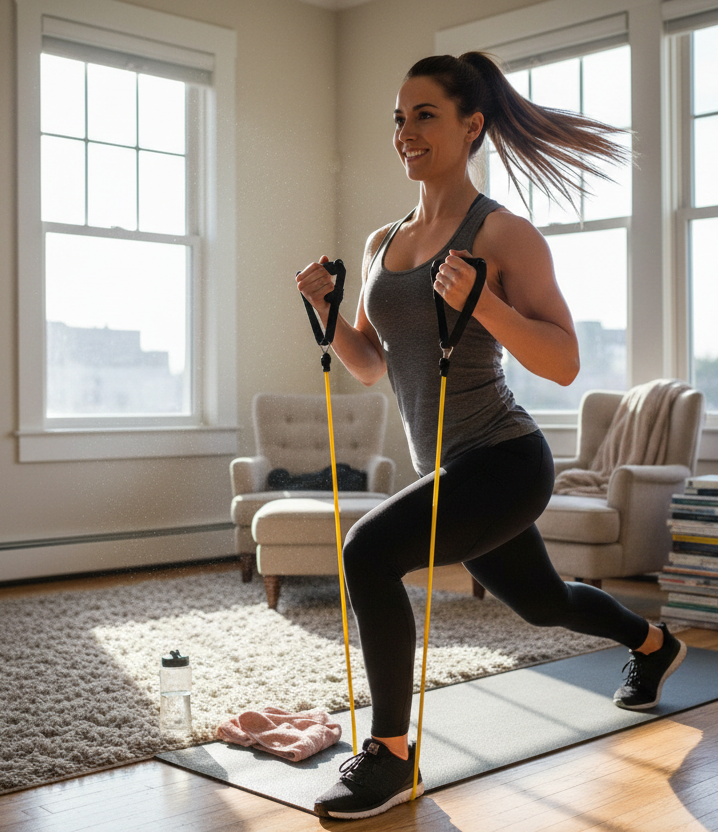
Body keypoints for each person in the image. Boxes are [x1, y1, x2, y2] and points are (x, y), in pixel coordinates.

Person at [294, 52, 687, 821]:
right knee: (542, 604)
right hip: (451, 469)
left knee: (367, 552)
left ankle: (391, 753)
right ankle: (652, 645)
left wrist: (484, 304)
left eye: (425, 115)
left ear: (471, 126)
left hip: (506, 459)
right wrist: (325, 313)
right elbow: (372, 366)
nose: (406, 132)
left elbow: (564, 361)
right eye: (398, 118)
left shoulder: (503, 234)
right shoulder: (382, 243)